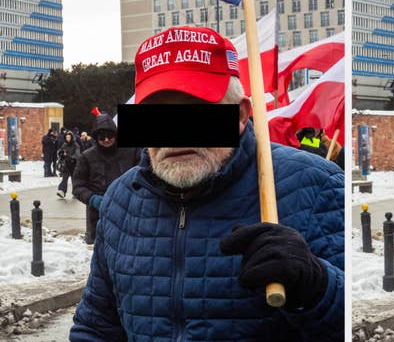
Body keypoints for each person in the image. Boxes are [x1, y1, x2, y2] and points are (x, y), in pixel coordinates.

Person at [70, 26, 344, 341]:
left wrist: (317, 288)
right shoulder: (122, 198)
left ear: (241, 115)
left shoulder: (316, 185)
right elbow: (96, 327)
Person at [72, 114, 141, 244]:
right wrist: (93, 199)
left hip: (129, 212)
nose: (106, 140)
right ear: (96, 137)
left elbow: (143, 177)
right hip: (99, 216)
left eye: (110, 136)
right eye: (101, 137)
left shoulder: (132, 151)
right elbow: (78, 186)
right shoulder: (87, 157)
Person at [56, 131, 81, 198]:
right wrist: (61, 154)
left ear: (72, 137)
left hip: (73, 164)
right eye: (66, 137)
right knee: (64, 177)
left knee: (74, 179)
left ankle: (75, 192)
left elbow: (77, 153)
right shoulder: (64, 144)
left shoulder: (75, 145)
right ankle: (62, 191)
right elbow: (61, 151)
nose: (68, 138)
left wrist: (72, 158)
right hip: (66, 163)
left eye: (69, 137)